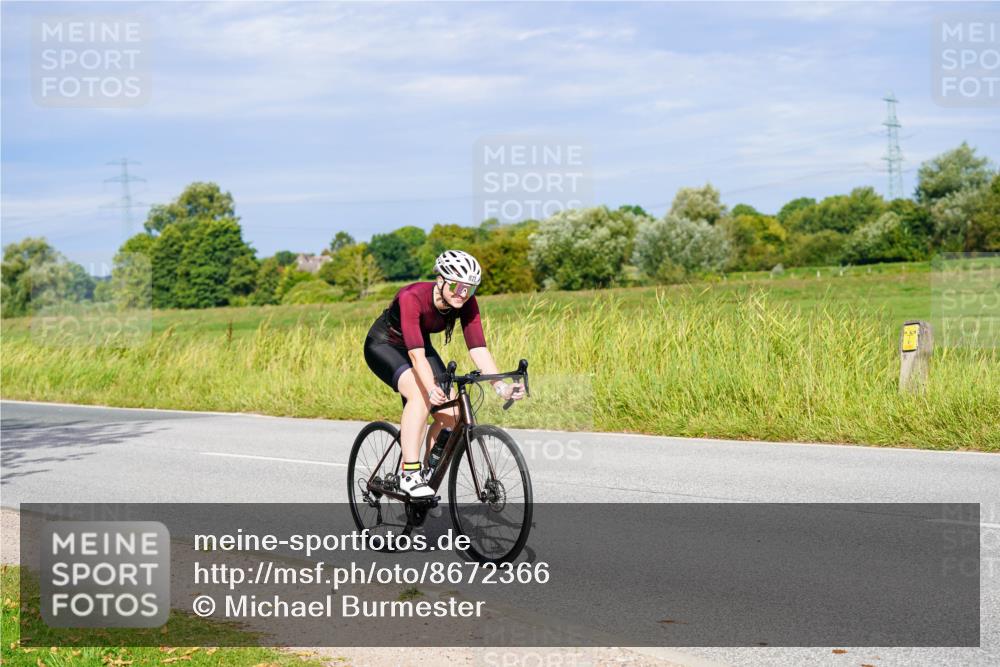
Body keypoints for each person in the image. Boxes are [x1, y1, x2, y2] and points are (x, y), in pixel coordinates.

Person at [363, 250, 525, 498]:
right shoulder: (411, 297)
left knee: (451, 414)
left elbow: (479, 349)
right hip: (384, 344)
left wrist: (500, 387)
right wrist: (429, 388)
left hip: (419, 345)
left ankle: (427, 476)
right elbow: (416, 357)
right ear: (440, 279)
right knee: (421, 396)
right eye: (457, 286)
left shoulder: (467, 302)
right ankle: (409, 473)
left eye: (469, 289)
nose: (463, 294)